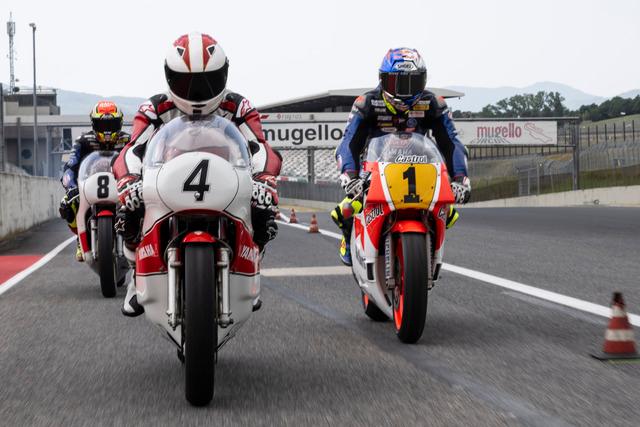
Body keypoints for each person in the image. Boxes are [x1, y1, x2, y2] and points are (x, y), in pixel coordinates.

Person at [113, 32, 282, 316]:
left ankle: (251, 271)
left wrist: (265, 179)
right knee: (128, 212)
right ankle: (135, 275)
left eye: (207, 81)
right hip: (167, 182)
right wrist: (128, 181)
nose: (197, 92)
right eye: (186, 83)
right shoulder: (155, 108)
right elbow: (132, 150)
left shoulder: (238, 106)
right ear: (170, 78)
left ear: (223, 74)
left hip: (227, 182)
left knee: (264, 212)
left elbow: (260, 147)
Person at [332, 47, 471, 266]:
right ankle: (349, 239)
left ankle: (427, 253)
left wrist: (460, 179)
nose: (404, 91)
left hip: (422, 168)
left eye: (412, 82)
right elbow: (349, 142)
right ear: (382, 79)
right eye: (396, 82)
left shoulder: (434, 103)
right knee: (345, 210)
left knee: (450, 214)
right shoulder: (366, 103)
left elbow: (451, 142)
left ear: (423, 80)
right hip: (375, 169)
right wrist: (350, 176)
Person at [59, 101, 130, 261]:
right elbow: (70, 167)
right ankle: (80, 237)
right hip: (90, 187)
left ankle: (136, 239)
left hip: (121, 185)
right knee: (67, 205)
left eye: (111, 124)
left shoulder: (128, 140)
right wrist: (71, 187)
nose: (107, 131)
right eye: (102, 125)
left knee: (140, 204)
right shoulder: (83, 141)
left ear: (119, 123)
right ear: (93, 124)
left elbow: (141, 161)